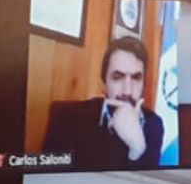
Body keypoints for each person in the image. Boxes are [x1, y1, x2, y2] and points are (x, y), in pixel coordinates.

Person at [42, 36, 165, 168]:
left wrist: (136, 149)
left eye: (136, 78)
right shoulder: (68, 118)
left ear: (143, 84)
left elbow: (145, 180)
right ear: (103, 84)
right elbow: (46, 173)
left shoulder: (154, 125)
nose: (127, 91)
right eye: (117, 77)